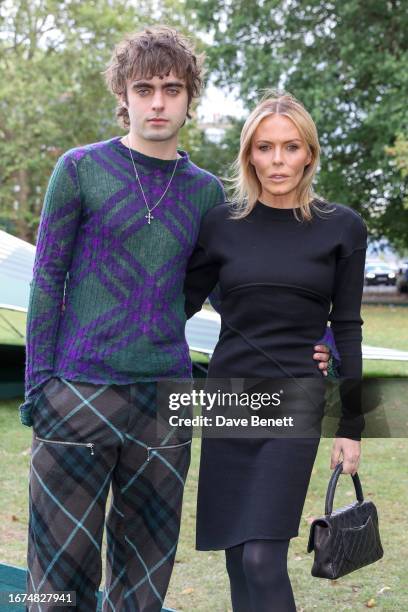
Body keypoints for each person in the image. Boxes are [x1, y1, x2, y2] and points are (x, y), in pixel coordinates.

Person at [20, 26, 331, 610]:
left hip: (167, 401)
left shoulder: (207, 196)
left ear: (190, 99)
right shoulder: (79, 169)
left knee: (144, 575)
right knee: (59, 579)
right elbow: (46, 284)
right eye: (144, 89)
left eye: (171, 88)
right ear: (125, 95)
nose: (157, 101)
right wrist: (41, 387)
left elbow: (248, 285)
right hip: (78, 392)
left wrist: (324, 339)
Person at [184, 91, 367, 611]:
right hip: (229, 398)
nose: (277, 161)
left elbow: (347, 327)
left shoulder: (342, 227)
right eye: (265, 148)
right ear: (249, 154)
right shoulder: (220, 224)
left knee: (263, 558)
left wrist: (351, 427)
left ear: (309, 153)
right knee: (237, 557)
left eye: (290, 147)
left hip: (295, 399)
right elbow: (176, 304)